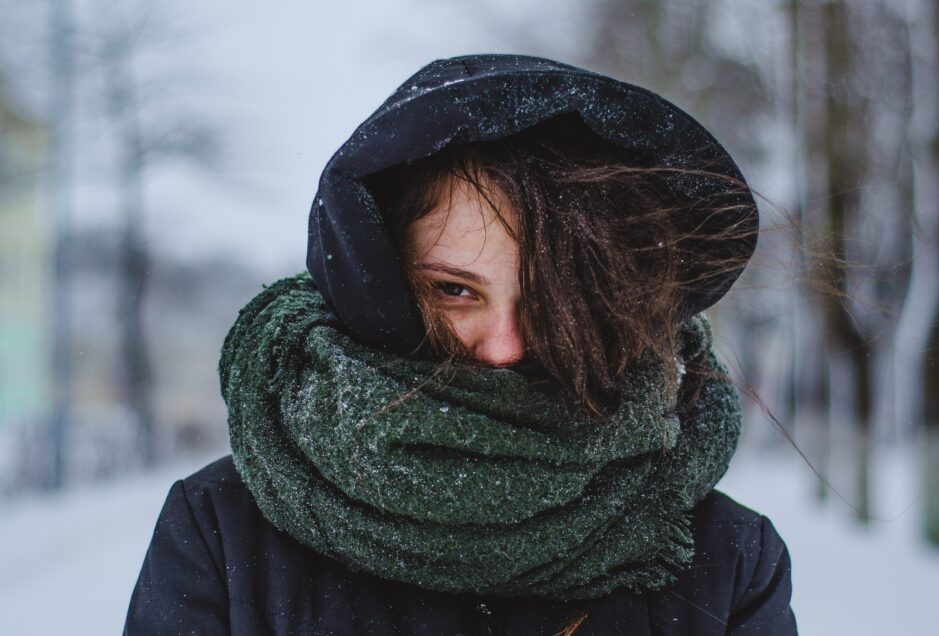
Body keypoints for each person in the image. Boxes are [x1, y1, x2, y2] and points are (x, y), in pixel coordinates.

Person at [124, 54, 798, 635]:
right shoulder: (222, 534)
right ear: (378, 282)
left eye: (554, 301)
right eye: (454, 289)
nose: (505, 347)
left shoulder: (727, 562)